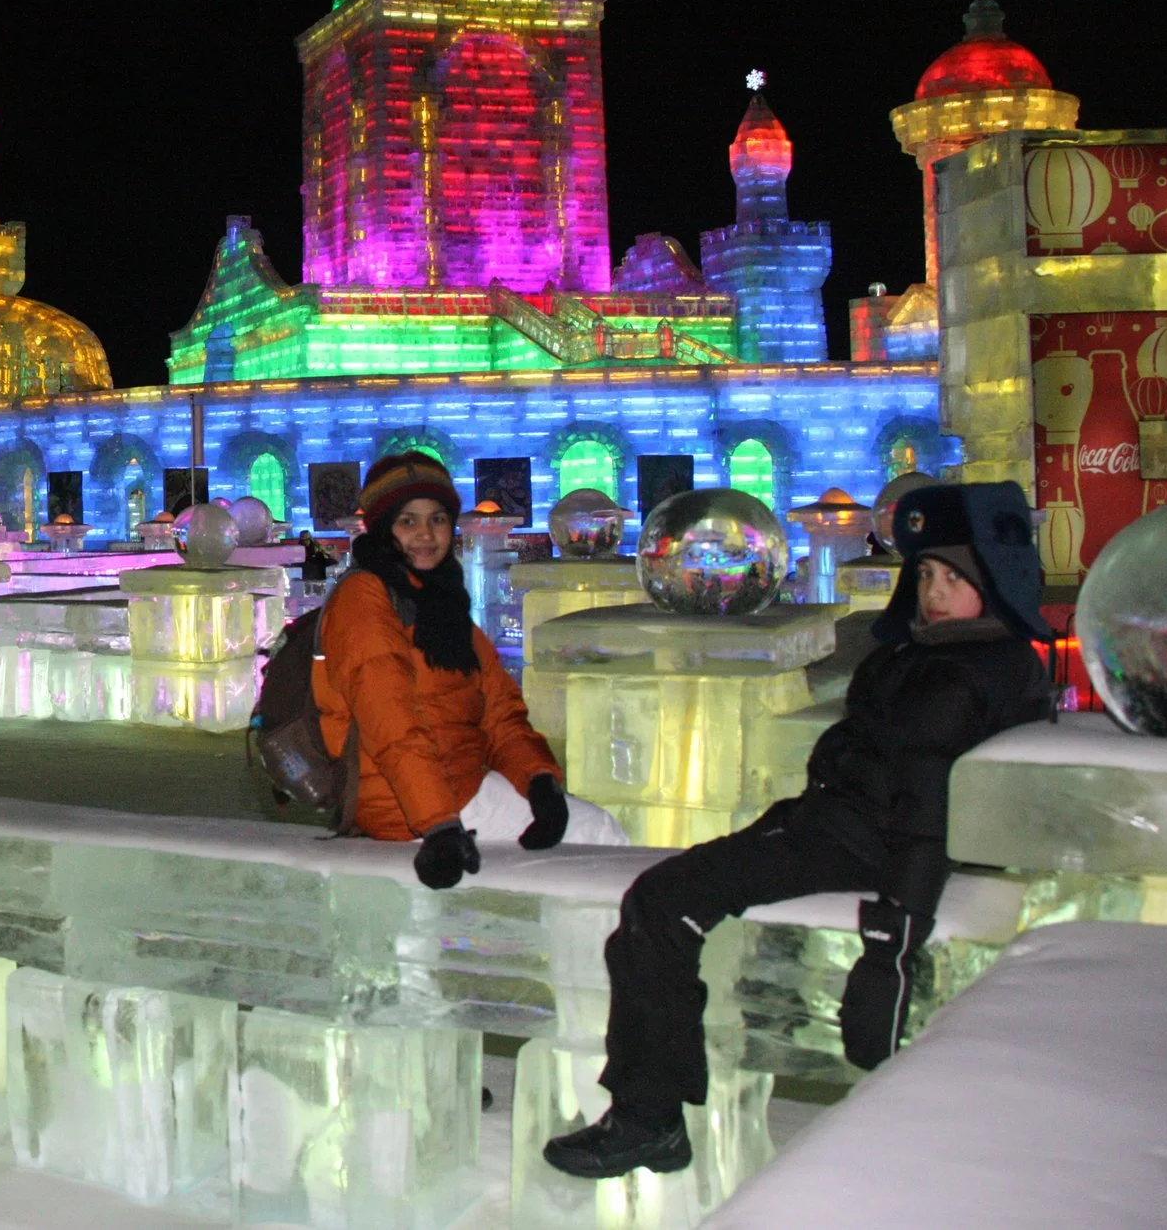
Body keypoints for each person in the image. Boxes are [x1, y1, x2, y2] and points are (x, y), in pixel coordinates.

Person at [544, 480, 1054, 1178]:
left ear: (994, 582)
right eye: (927, 574)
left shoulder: (956, 673)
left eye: (954, 578)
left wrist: (891, 943)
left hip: (852, 843)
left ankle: (649, 1117)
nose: (934, 592)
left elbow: (925, 812)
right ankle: (652, 1105)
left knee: (660, 904)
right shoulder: (948, 655)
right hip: (833, 827)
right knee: (658, 909)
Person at [314, 453, 621, 882]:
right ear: (383, 528)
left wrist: (538, 780)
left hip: (456, 786)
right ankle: (601, 949)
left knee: (585, 838)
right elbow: (390, 721)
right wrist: (439, 824)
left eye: (437, 519)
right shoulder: (364, 598)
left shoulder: (440, 600)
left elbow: (499, 709)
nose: (426, 534)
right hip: (400, 801)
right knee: (600, 837)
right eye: (408, 521)